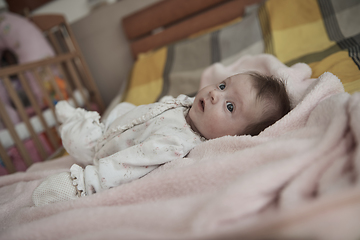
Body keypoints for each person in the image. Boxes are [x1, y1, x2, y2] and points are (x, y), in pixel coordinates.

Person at [32, 71, 291, 206]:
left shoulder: (175, 144)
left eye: (230, 106)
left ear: (235, 137)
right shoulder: (189, 106)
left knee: (78, 141)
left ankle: (76, 120)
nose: (215, 94)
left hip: (103, 150)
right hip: (121, 125)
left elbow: (128, 165)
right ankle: (82, 118)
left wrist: (86, 183)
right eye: (223, 86)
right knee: (123, 108)